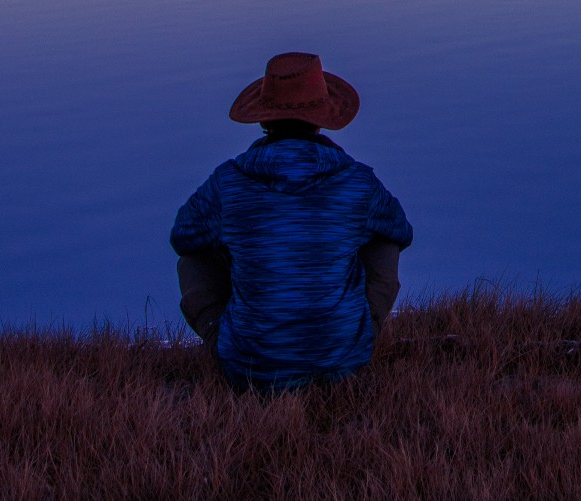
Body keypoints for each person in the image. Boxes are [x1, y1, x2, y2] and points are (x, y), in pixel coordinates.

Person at [171, 52, 412, 390]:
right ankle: (350, 334)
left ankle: (229, 339)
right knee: (383, 239)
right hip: (344, 361)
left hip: (249, 368)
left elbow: (183, 237)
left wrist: (248, 238)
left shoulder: (228, 182)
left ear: (264, 120)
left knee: (196, 254)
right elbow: (401, 231)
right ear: (321, 120)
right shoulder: (358, 182)